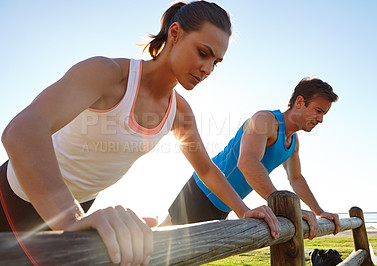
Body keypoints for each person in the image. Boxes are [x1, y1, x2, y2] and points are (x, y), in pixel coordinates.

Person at [0, 1, 280, 265]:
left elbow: (206, 170)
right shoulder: (108, 74)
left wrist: (244, 211)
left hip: (79, 205)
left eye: (216, 62)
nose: (207, 69)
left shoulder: (180, 114)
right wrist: (70, 219)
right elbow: (21, 130)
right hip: (20, 194)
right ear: (175, 33)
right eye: (203, 53)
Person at [161, 77, 341, 239]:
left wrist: (320, 211)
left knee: (170, 248)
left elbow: (296, 178)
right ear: (300, 102)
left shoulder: (293, 142)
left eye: (324, 114)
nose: (320, 120)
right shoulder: (265, 120)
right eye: (318, 111)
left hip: (226, 203)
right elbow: (247, 162)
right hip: (203, 191)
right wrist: (285, 207)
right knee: (163, 245)